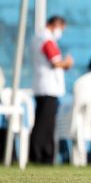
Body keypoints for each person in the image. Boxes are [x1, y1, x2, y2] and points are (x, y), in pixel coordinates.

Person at [29, 15, 73, 164]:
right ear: (55, 24)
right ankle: (39, 156)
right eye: (61, 28)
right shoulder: (46, 40)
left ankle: (45, 156)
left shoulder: (39, 38)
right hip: (48, 88)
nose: (61, 32)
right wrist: (67, 63)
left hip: (44, 86)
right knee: (44, 125)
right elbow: (55, 62)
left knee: (46, 123)